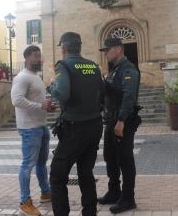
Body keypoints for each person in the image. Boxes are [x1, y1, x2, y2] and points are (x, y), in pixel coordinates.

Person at [47, 32, 104, 216]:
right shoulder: (93, 66)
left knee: (57, 176)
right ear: (79, 47)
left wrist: (50, 87)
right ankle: (90, 212)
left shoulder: (63, 65)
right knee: (85, 172)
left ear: (63, 48)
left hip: (75, 128)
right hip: (95, 125)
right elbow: (102, 93)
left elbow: (62, 94)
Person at [98, 38, 141, 214]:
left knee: (125, 159)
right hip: (111, 119)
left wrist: (121, 120)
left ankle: (128, 198)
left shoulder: (128, 69)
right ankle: (114, 191)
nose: (105, 53)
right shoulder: (114, 70)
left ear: (118, 49)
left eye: (107, 50)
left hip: (122, 121)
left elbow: (128, 97)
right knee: (110, 156)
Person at [11, 45, 54, 216]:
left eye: (40, 56)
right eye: (36, 56)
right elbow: (16, 100)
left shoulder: (36, 77)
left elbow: (38, 101)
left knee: (41, 163)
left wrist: (46, 106)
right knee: (27, 165)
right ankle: (24, 202)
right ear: (27, 58)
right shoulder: (22, 77)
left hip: (41, 126)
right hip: (29, 129)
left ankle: (45, 192)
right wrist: (40, 105)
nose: (39, 59)